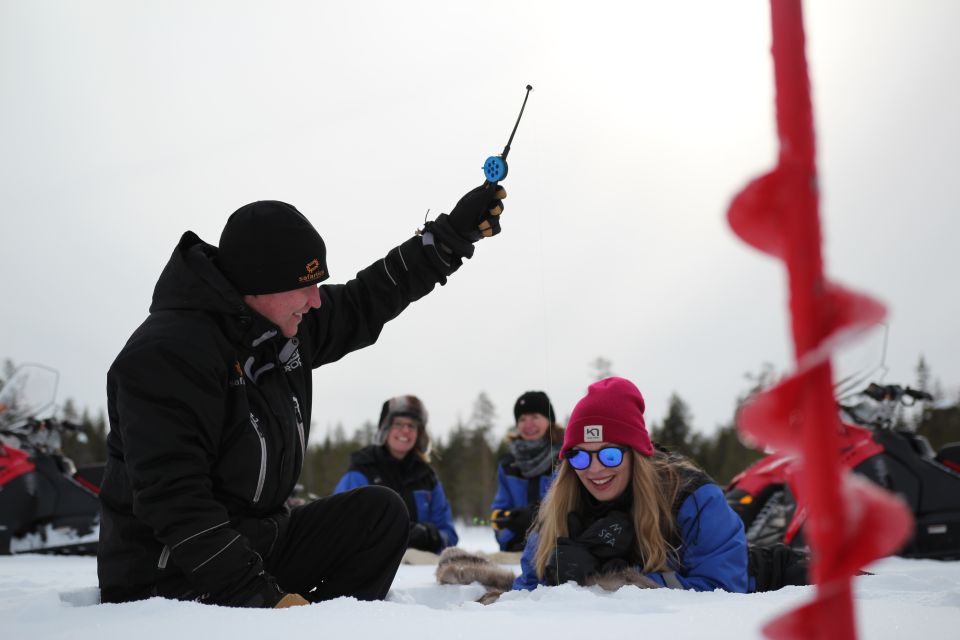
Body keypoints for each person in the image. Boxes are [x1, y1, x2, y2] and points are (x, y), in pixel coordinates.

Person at [97, 183, 506, 608]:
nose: (316, 300)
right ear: (258, 283)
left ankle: (330, 627)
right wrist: (262, 599)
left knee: (378, 515)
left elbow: (366, 299)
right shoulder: (168, 355)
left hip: (257, 542)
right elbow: (175, 503)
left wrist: (451, 235)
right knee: (226, 564)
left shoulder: (279, 325)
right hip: (172, 573)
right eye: (305, 286)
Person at [513, 377, 749, 592]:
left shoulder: (692, 498)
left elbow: (723, 591)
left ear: (636, 454)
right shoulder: (560, 505)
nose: (594, 469)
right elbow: (526, 592)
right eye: (580, 456)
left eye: (610, 455)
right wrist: (556, 580)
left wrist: (617, 580)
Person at [333, 395, 457, 553]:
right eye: (398, 424)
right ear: (385, 428)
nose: (405, 430)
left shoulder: (428, 478)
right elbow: (341, 528)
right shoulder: (361, 471)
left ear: (419, 433)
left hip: (423, 570)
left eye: (411, 425)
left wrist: (428, 535)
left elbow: (449, 536)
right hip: (372, 569)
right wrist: (391, 533)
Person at [489, 391, 564, 551]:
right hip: (517, 552)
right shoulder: (508, 465)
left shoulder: (566, 459)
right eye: (522, 419)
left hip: (558, 552)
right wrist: (513, 530)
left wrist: (537, 520)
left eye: (535, 416)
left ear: (549, 420)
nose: (528, 424)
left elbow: (573, 510)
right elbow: (497, 518)